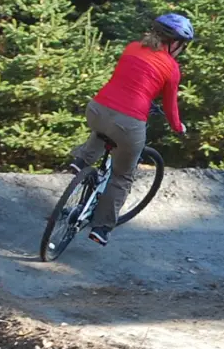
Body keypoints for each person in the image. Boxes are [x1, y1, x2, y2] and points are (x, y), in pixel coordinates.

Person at [69, 13, 194, 246]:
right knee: (122, 175)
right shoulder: (171, 67)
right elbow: (170, 106)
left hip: (96, 109)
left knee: (103, 128)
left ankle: (82, 160)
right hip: (129, 123)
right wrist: (178, 128)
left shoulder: (132, 47)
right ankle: (101, 228)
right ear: (175, 43)